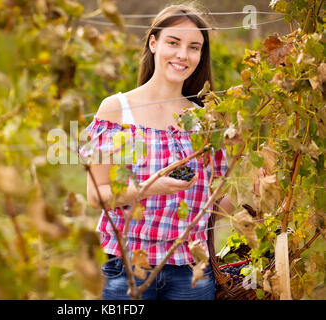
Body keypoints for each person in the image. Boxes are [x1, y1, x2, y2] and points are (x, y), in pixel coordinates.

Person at [79, 3, 235, 300]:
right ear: (153, 43)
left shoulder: (206, 119)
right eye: (173, 43)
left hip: (190, 273)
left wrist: (248, 192)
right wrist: (152, 187)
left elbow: (215, 207)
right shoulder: (115, 110)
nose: (182, 55)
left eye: (194, 47)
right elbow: (95, 195)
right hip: (125, 269)